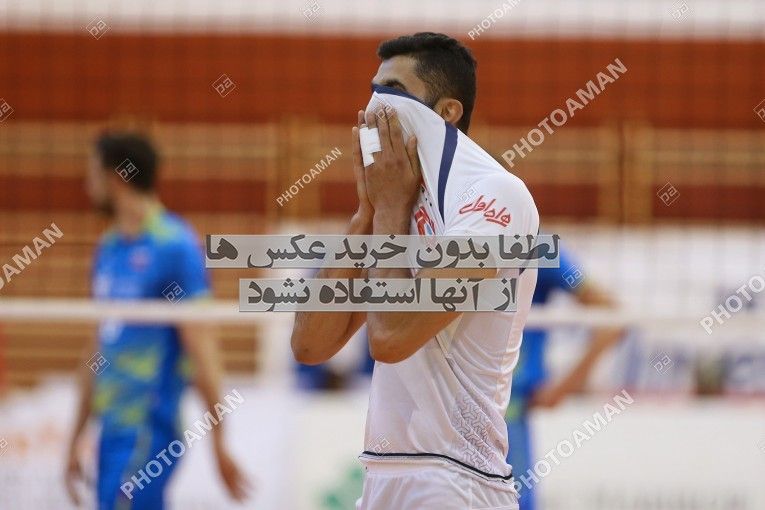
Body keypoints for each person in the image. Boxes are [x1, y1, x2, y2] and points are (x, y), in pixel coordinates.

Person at [291, 33, 538, 509]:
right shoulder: (399, 200)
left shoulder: (495, 195)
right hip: (383, 473)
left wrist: (388, 211)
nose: (376, 103)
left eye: (394, 90)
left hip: (457, 477)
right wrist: (365, 213)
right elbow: (309, 346)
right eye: (374, 87)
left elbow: (391, 338)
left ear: (448, 112)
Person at [64, 131, 250, 509]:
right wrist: (75, 437)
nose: (87, 187)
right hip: (110, 431)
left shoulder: (174, 246)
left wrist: (219, 441)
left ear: (116, 178)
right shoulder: (108, 249)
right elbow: (96, 348)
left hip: (150, 428)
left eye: (93, 175)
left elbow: (203, 348)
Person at [506, 245, 622, 510]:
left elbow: (613, 317)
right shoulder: (453, 240)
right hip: (455, 411)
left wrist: (564, 387)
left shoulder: (537, 249)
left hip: (508, 413)